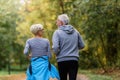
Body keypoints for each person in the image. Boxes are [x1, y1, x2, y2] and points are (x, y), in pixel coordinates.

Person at [52, 14, 85, 80]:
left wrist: (57, 53)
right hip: (73, 60)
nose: (56, 22)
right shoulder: (76, 32)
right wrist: (73, 48)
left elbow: (55, 47)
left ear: (61, 22)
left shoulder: (57, 32)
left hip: (62, 60)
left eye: (57, 20)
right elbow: (82, 45)